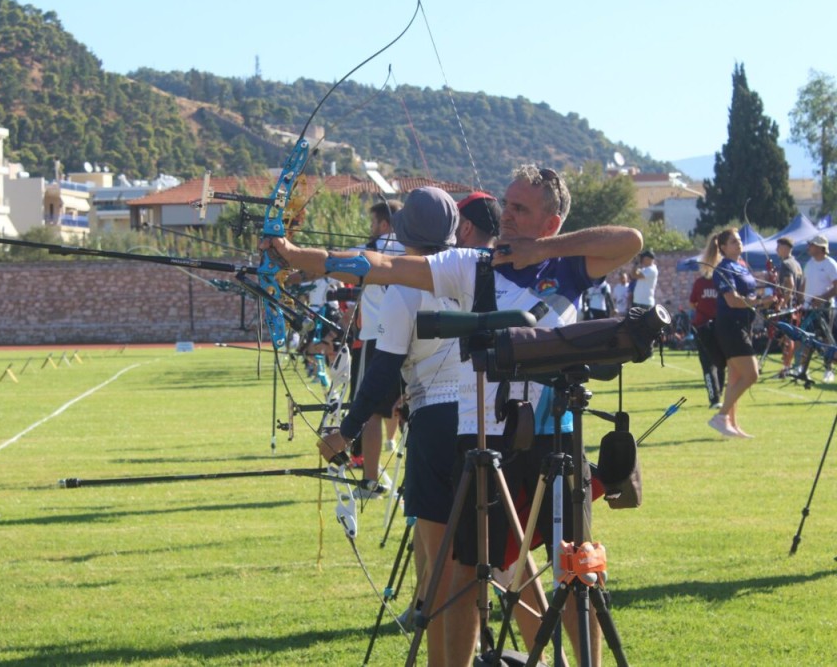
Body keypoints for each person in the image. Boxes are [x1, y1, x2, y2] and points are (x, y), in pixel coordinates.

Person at [265, 167, 643, 666]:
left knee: (576, 571)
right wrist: (298, 257)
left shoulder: (571, 264)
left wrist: (542, 252)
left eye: (521, 209)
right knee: (466, 575)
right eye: (506, 205)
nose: (505, 216)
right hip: (483, 437)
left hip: (555, 439)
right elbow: (382, 266)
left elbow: (630, 240)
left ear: (551, 222)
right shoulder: (471, 264)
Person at [319, 188, 462, 665]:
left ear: (402, 237)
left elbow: (381, 370)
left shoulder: (403, 292)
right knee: (479, 561)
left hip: (436, 425)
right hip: (485, 423)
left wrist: (346, 431)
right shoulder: (477, 270)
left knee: (438, 560)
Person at [347, 200, 405, 495]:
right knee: (410, 408)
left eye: (374, 224)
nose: (372, 230)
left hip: (375, 339)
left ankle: (370, 480)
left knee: (370, 412)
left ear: (384, 224)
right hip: (412, 339)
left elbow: (333, 264)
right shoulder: (416, 251)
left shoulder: (367, 250)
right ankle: (412, 483)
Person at [703, 228, 759, 438]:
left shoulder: (742, 266)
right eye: (733, 242)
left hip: (743, 325)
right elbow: (733, 300)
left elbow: (750, 294)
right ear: (724, 247)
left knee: (735, 378)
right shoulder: (724, 269)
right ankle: (721, 415)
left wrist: (766, 299)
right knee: (751, 375)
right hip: (731, 327)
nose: (738, 244)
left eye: (739, 241)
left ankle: (732, 425)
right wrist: (759, 302)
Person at [797, 235, 837, 383]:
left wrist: (821, 299)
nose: (809, 247)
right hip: (808, 307)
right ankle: (803, 369)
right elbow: (805, 283)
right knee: (806, 337)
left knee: (826, 339)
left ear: (821, 248)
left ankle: (828, 370)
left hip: (825, 309)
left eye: (812, 245)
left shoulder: (830, 264)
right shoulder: (810, 263)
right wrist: (800, 297)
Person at [689, 266, 725, 407]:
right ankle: (719, 394)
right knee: (720, 362)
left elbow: (692, 303)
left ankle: (714, 398)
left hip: (703, 325)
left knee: (708, 364)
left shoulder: (700, 283)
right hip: (719, 325)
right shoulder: (722, 282)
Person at [774, 236, 803, 377]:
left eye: (778, 247)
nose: (776, 250)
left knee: (787, 338)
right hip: (798, 306)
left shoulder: (786, 264)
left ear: (785, 248)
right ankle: (792, 366)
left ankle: (786, 368)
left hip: (789, 306)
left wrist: (783, 303)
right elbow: (802, 285)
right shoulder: (796, 264)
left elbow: (790, 285)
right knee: (795, 338)